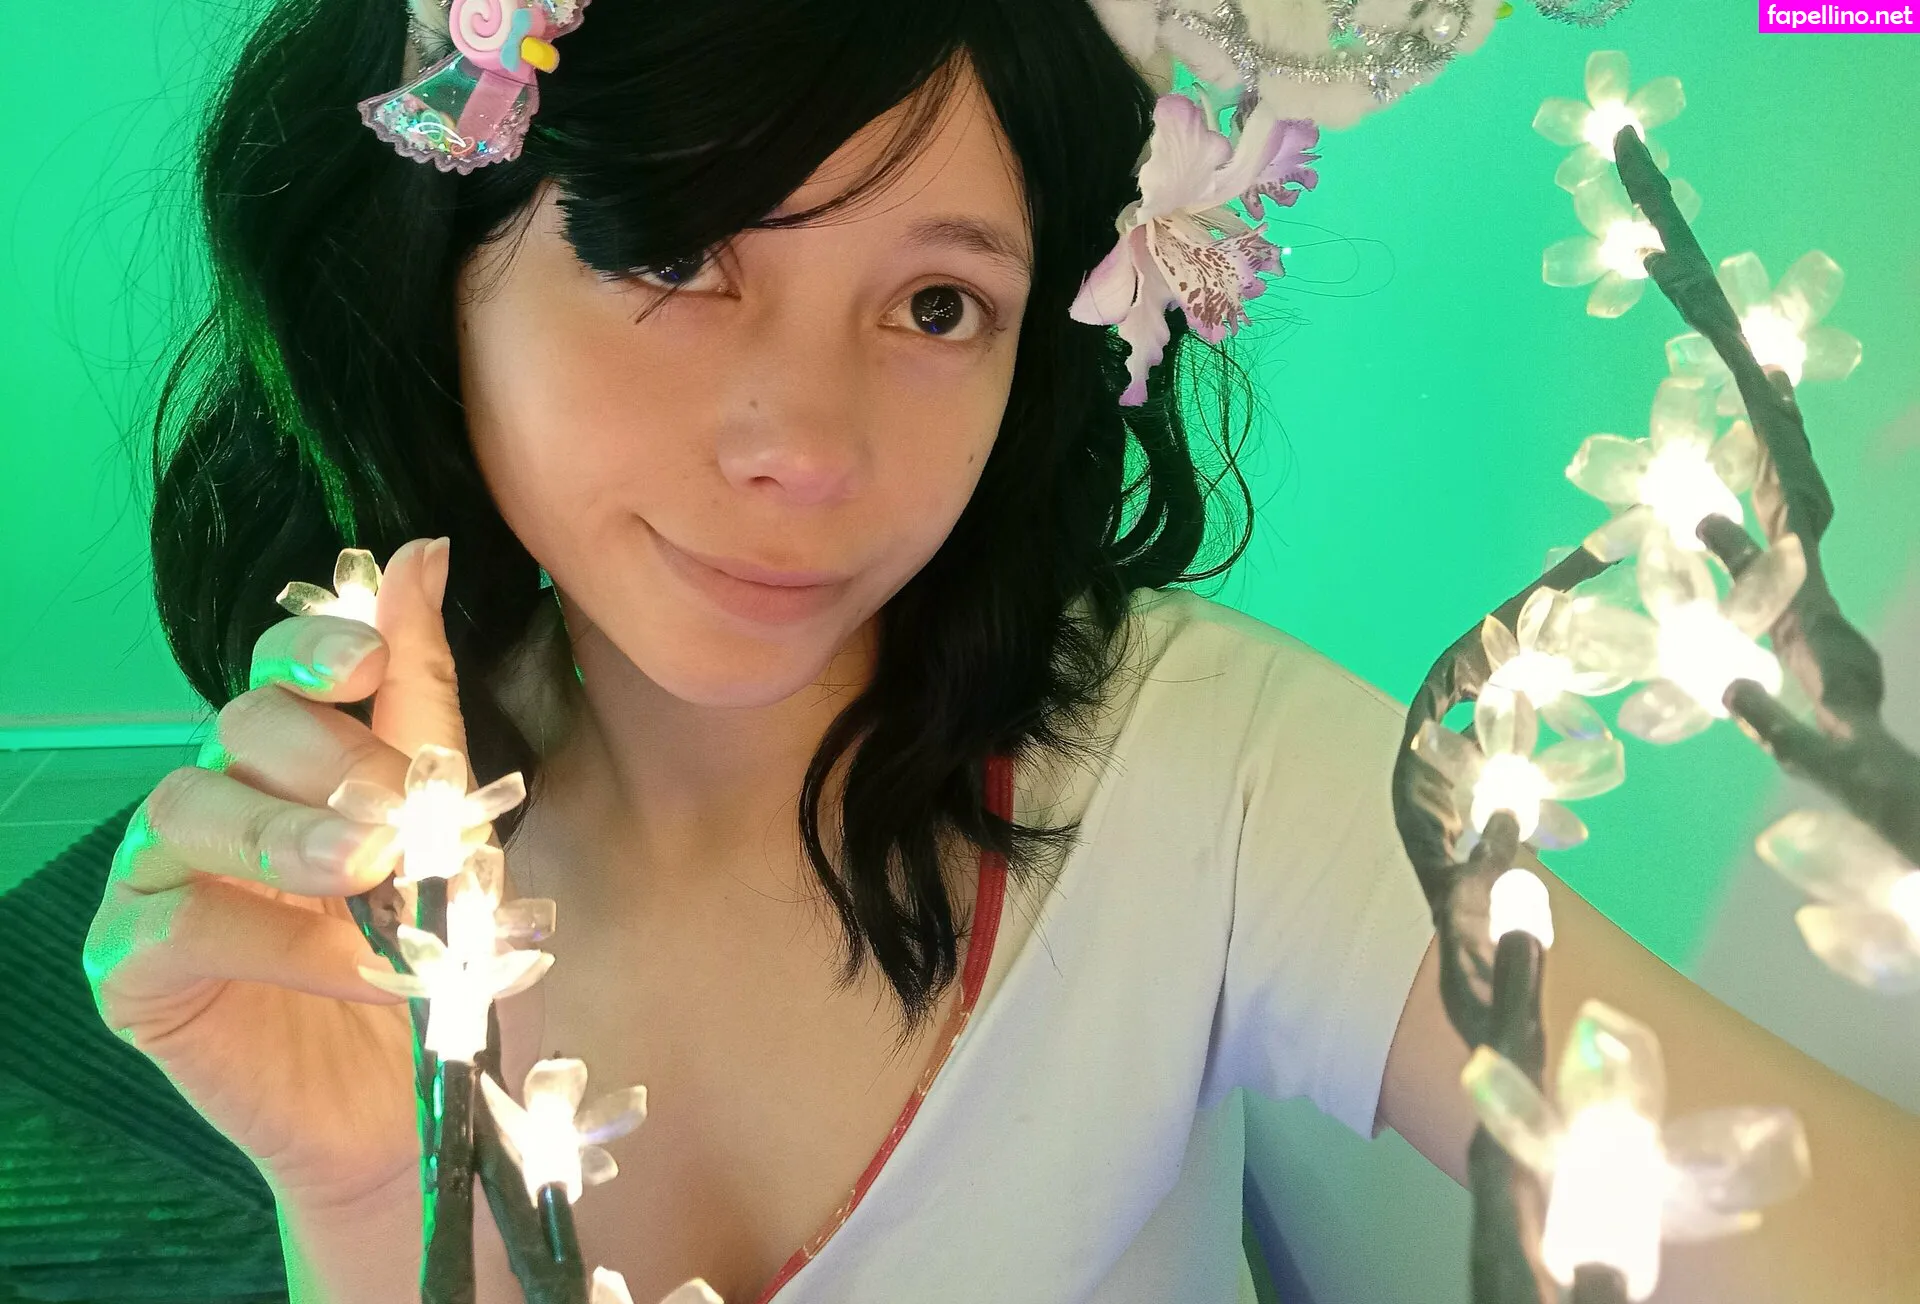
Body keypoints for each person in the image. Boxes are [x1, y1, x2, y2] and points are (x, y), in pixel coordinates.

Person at [64, 1, 1919, 1302]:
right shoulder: (374, 851)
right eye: (676, 254)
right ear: (433, 267)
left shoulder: (1210, 767)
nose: (806, 445)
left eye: (939, 302)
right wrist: (370, 1207)